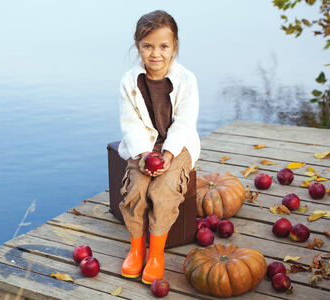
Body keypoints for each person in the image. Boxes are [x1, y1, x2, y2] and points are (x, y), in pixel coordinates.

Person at [117, 10, 200, 284]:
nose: (156, 54)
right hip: (143, 147)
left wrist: (167, 154)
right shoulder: (129, 81)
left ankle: (156, 253)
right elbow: (130, 124)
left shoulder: (187, 80)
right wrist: (143, 155)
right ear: (138, 46)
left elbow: (185, 122)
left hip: (177, 145)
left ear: (174, 47)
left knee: (164, 189)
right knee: (137, 188)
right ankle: (137, 247)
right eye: (148, 46)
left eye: (164, 46)